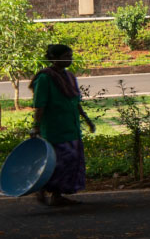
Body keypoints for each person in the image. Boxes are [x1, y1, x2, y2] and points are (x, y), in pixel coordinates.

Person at [30, 43, 96, 206]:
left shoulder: (69, 77)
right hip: (54, 129)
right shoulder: (45, 78)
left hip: (71, 127)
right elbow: (40, 105)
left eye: (70, 56)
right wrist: (36, 127)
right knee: (57, 162)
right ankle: (43, 189)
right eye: (66, 56)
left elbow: (75, 101)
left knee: (70, 162)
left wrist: (86, 119)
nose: (70, 59)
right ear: (54, 58)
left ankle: (57, 195)